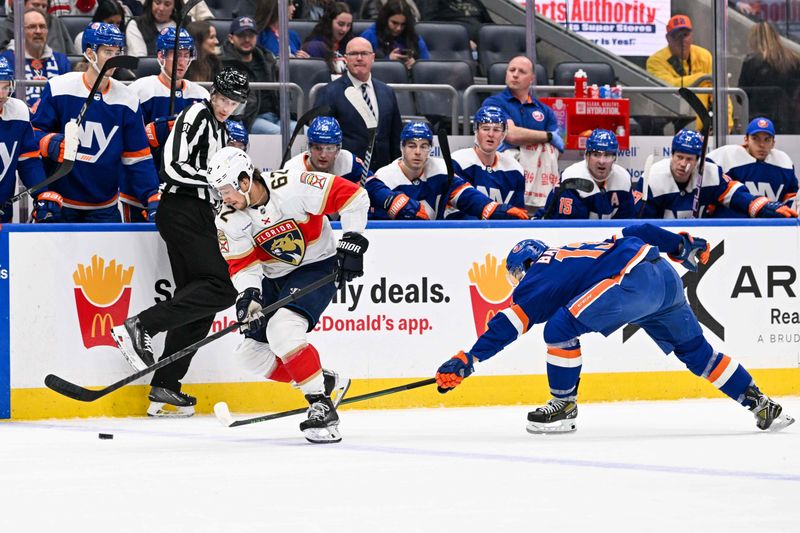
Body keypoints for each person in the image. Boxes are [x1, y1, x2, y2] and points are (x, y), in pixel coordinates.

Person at [434, 223, 796, 434]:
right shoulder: (578, 253)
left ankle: (563, 406)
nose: (519, 283)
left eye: (516, 273)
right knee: (698, 354)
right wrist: (681, 245)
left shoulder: (540, 272)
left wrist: (469, 358)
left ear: (525, 263)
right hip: (665, 277)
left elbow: (509, 323)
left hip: (634, 283)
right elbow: (637, 229)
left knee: (558, 330)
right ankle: (761, 404)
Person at [110, 68, 248, 417]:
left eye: (234, 103)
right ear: (213, 92)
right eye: (223, 98)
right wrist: (215, 182)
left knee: (200, 303)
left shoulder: (219, 128)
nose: (226, 107)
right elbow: (171, 167)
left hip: (198, 213)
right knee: (223, 286)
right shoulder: (195, 113)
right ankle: (141, 325)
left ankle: (166, 385)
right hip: (181, 209)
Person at [209, 146, 369, 442]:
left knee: (283, 329)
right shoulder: (228, 218)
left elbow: (354, 196)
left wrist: (353, 239)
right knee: (250, 355)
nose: (224, 198)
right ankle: (326, 381)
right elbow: (242, 264)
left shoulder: (294, 185)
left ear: (245, 181)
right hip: (273, 276)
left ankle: (321, 405)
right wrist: (249, 295)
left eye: (227, 190)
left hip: (316, 266)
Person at [32, 22, 160, 222]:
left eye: (117, 51)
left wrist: (151, 194)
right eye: (108, 52)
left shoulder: (127, 99)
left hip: (105, 208)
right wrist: (50, 142)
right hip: (59, 204)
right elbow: (32, 137)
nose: (115, 58)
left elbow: (138, 157)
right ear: (90, 53)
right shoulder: (59, 87)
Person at [123, 27, 208, 222]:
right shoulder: (140, 90)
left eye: (187, 55)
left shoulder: (201, 95)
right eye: (176, 55)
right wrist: (152, 133)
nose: (182, 61)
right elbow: (126, 140)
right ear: (161, 56)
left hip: (181, 190)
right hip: (141, 187)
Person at [367, 121, 529, 220]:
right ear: (401, 147)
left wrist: (494, 209)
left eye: (424, 146)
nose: (417, 152)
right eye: (411, 146)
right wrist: (396, 205)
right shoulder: (385, 177)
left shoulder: (441, 170)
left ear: (430, 149)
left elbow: (467, 196)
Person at [634, 129, 798, 219]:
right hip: (664, 243)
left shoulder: (710, 172)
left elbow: (736, 195)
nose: (683, 164)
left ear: (699, 159)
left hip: (702, 241)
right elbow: (642, 221)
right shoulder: (653, 177)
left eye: (689, 159)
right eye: (679, 157)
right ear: (672, 154)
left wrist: (762, 206)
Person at [313, 37, 402, 171]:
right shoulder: (329, 92)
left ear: (372, 57)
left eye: (364, 53)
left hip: (383, 174)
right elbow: (321, 141)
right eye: (353, 54)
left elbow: (395, 138)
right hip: (346, 174)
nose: (359, 58)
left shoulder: (387, 91)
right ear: (346, 59)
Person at [646, 14, 732, 131]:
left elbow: (720, 96)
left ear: (692, 35)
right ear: (668, 38)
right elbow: (669, 87)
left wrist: (726, 126)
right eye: (677, 36)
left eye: (685, 35)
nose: (682, 40)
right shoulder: (655, 61)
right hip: (670, 127)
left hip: (704, 131)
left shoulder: (704, 56)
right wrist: (702, 78)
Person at [0, 56, 59, 223]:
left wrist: (41, 193)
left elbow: (28, 161)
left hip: (4, 213)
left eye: (5, 87)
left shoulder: (18, 110)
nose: (1, 94)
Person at [707, 118, 798, 216]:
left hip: (772, 227)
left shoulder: (784, 162)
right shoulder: (726, 156)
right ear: (746, 140)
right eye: (755, 138)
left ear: (773, 143)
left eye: (767, 139)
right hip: (731, 226)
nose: (761, 145)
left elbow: (791, 196)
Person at [536, 129, 634, 220]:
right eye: (596, 155)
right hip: (551, 230)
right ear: (587, 156)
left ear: (615, 158)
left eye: (607, 155)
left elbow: (625, 223)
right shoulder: (573, 178)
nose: (602, 161)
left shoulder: (623, 179)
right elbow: (572, 228)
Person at [450, 105, 525, 218]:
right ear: (476, 130)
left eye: (496, 129)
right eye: (485, 129)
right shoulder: (458, 161)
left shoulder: (514, 168)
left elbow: (518, 213)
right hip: (464, 231)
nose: (491, 134)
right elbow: (451, 210)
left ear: (503, 134)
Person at [481, 56, 562, 154]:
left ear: (532, 79)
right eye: (512, 70)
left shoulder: (546, 111)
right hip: (503, 166)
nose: (515, 75)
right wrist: (548, 137)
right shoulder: (492, 104)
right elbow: (511, 135)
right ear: (506, 74)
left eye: (522, 72)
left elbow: (557, 149)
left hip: (538, 168)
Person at [221, 16, 286, 134]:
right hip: (249, 119)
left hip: (278, 116)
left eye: (251, 35)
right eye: (241, 35)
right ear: (231, 38)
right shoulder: (223, 64)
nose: (247, 39)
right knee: (281, 134)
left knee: (305, 131)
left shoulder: (267, 59)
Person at [0, 8, 72, 109]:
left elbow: (67, 101)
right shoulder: (5, 61)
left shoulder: (61, 61)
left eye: (42, 27)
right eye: (32, 27)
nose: (38, 31)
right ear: (20, 31)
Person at [738, 22, 800, 133]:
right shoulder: (793, 59)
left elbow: (741, 96)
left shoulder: (751, 62)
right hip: (789, 121)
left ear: (753, 39)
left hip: (759, 123)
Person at [285, 115, 369, 184]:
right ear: (309, 147)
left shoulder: (348, 162)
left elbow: (373, 185)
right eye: (318, 148)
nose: (323, 155)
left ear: (338, 149)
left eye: (329, 148)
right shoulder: (292, 170)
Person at [359, 0, 429, 71]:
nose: (399, 28)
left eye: (403, 24)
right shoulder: (369, 36)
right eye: (394, 23)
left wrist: (416, 66)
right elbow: (360, 65)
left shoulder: (413, 37)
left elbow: (426, 66)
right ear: (385, 19)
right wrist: (388, 61)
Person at [0, 0, 78, 55]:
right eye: (35, 5)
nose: (40, 9)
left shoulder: (56, 22)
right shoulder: (6, 27)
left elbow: (71, 54)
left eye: (44, 6)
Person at [301, 2, 353, 74]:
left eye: (348, 25)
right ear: (329, 22)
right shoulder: (314, 46)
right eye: (341, 24)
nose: (344, 29)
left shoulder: (350, 44)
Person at [419, 0, 492, 51]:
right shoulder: (433, 2)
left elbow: (490, 24)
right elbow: (429, 26)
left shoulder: (475, 2)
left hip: (483, 46)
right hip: (454, 47)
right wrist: (461, 41)